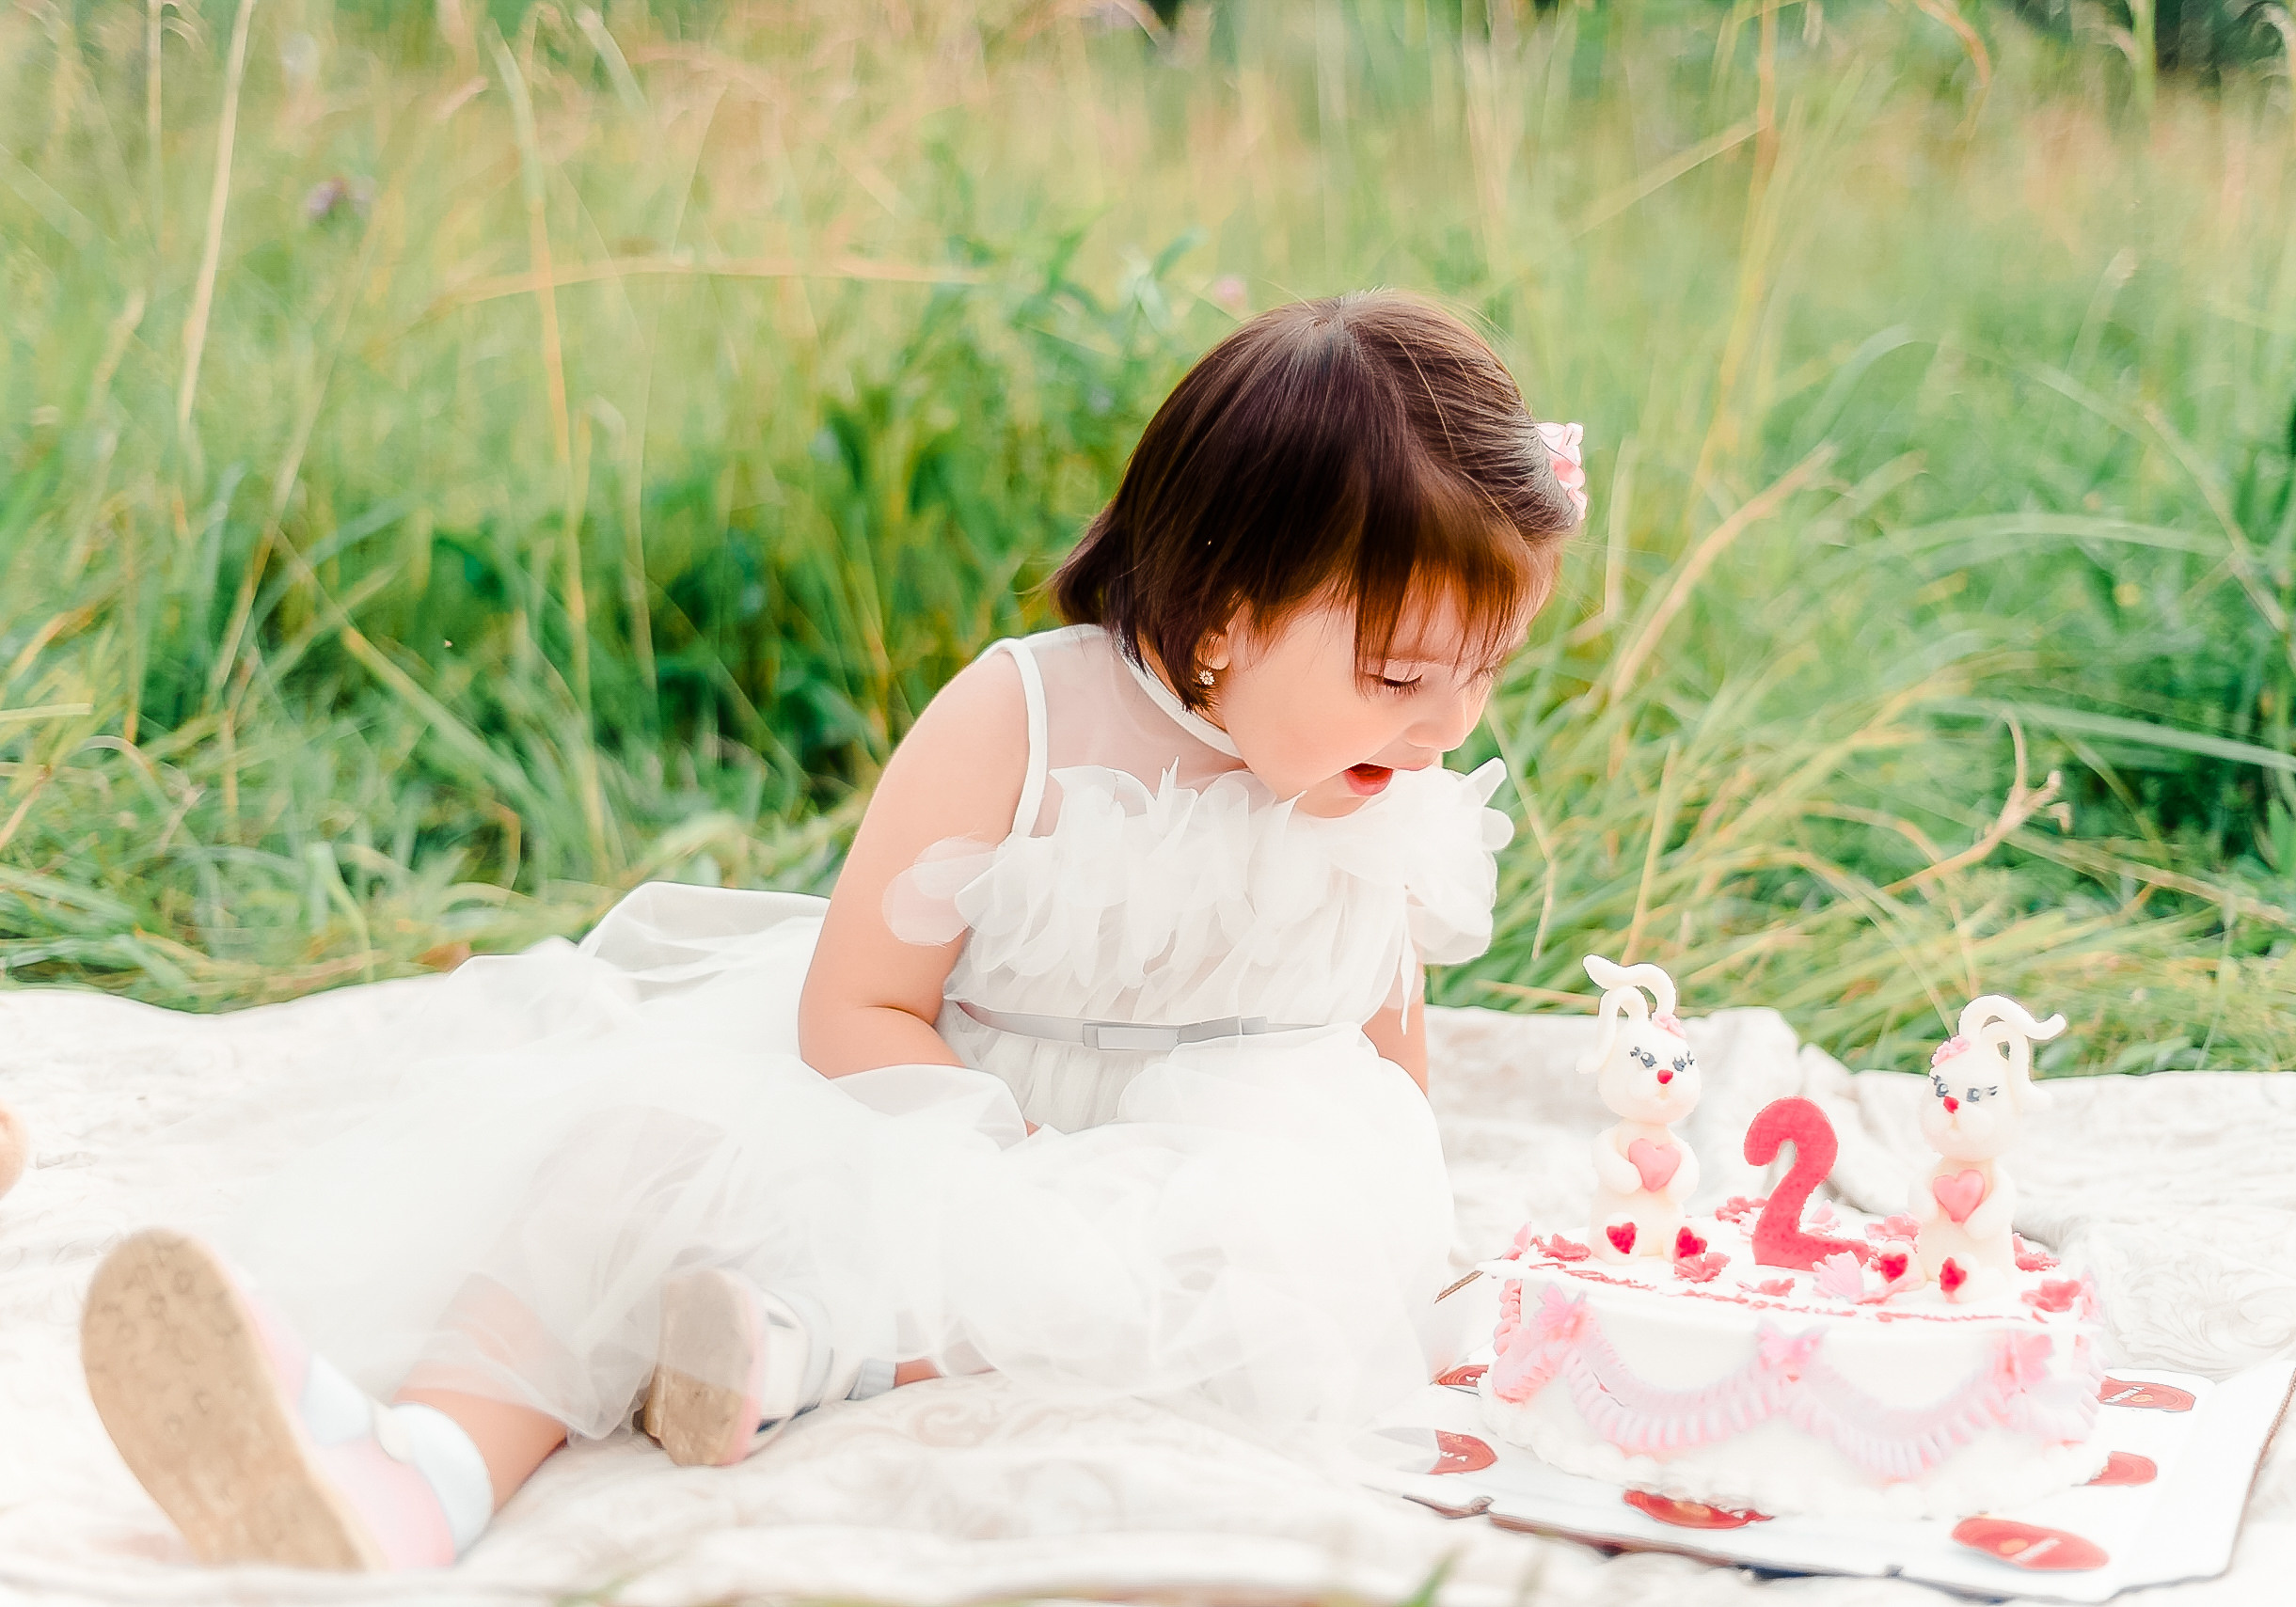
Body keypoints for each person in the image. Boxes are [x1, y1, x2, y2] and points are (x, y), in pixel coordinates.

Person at [77, 291, 1587, 1570]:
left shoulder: (1393, 783)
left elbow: (1388, 1065)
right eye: (1401, 674)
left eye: (1482, 674)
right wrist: (985, 1172)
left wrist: (1415, 1250)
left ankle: (788, 1354)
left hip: (1210, 1176)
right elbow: (855, 1002)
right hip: (938, 1097)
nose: (1451, 722)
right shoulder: (1026, 716)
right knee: (636, 1158)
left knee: (1197, 1280)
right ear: (1223, 616)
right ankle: (424, 1458)